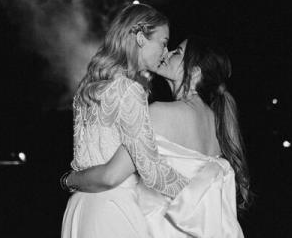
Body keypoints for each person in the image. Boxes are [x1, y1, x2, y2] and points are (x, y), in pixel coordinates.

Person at [65, 36, 251, 237]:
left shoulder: (159, 113)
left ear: (195, 72)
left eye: (177, 52)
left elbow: (111, 176)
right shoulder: (217, 125)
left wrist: (70, 179)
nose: (167, 53)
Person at [60, 3, 190, 238]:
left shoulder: (89, 87)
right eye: (163, 42)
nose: (165, 52)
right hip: (112, 209)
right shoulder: (129, 90)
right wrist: (201, 191)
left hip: (80, 208)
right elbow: (150, 169)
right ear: (140, 38)